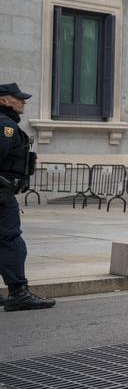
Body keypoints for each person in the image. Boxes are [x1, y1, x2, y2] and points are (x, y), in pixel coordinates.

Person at [0, 83, 55, 312]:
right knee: (11, 240)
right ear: (4, 100)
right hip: (1, 195)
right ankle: (18, 293)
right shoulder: (6, 126)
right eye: (19, 98)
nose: (23, 102)